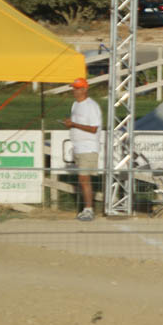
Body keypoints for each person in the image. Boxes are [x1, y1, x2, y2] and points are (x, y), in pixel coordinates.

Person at [63, 77, 102, 221]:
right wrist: (70, 124)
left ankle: (89, 210)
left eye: (77, 88)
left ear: (85, 89)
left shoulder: (91, 106)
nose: (74, 91)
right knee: (82, 180)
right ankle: (86, 208)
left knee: (84, 178)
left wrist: (73, 124)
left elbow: (93, 128)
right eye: (73, 88)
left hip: (88, 147)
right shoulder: (75, 105)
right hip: (78, 147)